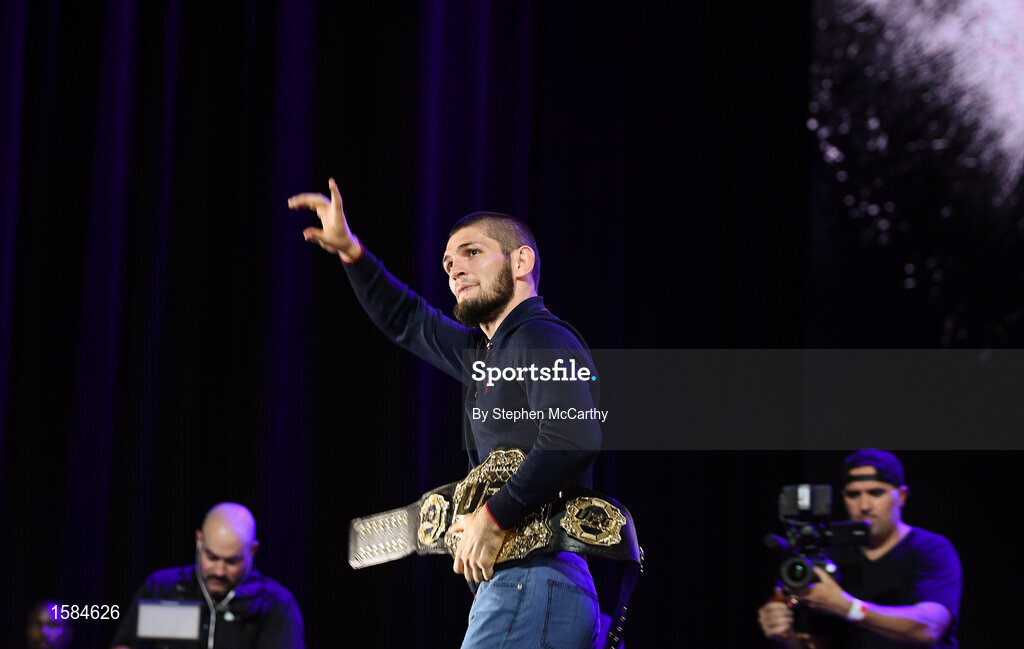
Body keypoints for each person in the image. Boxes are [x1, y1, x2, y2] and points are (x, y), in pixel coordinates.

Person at [289, 180, 603, 648]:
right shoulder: (485, 352)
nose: (455, 269)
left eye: (472, 253)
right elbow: (408, 320)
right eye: (448, 263)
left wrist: (492, 517)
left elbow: (573, 438)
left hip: (535, 577)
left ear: (521, 262)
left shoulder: (542, 338)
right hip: (525, 584)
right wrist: (351, 251)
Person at [757, 449, 961, 649]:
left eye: (876, 493)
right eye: (854, 495)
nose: (864, 506)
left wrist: (847, 607)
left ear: (901, 496)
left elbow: (928, 629)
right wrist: (786, 636)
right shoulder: (830, 555)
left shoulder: (930, 549)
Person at [110, 503, 304, 649]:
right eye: (211, 557)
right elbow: (125, 644)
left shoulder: (275, 606)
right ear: (199, 541)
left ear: (252, 551)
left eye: (231, 561)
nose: (219, 571)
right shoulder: (162, 588)